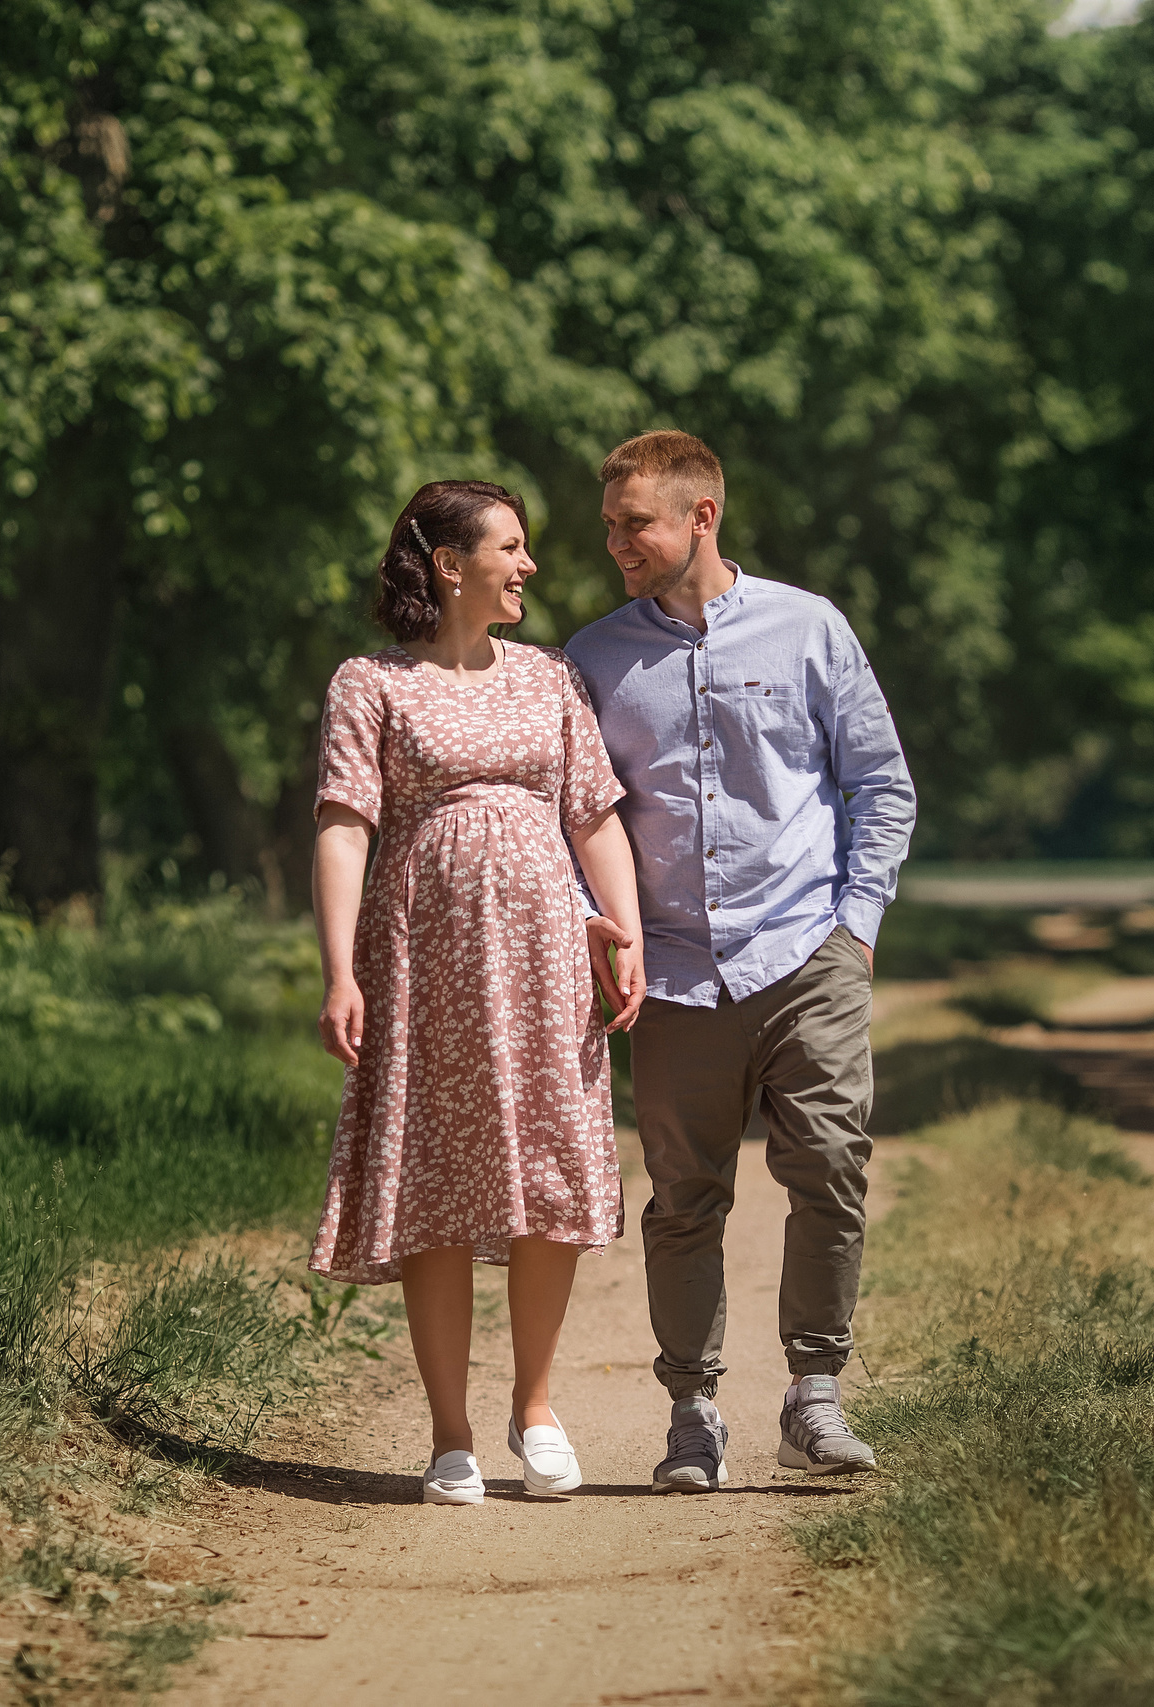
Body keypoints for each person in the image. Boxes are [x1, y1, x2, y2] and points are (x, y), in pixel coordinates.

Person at [564, 430, 915, 1493]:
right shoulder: (590, 659)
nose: (618, 543)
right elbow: (573, 815)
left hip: (807, 951)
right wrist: (597, 926)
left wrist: (855, 929)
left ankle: (815, 1398)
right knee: (682, 1199)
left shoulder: (809, 629)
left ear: (701, 517)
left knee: (830, 1168)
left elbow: (881, 786)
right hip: (669, 974)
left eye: (638, 523)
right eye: (611, 524)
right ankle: (693, 1414)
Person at [307, 478, 649, 1506]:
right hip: (421, 958)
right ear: (449, 565)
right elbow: (342, 823)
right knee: (438, 1181)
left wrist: (620, 929)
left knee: (546, 1165)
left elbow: (592, 815)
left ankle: (535, 1405)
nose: (529, 566)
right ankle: (450, 1435)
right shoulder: (370, 683)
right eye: (510, 547)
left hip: (544, 955)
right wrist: (336, 970)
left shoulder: (547, 679)